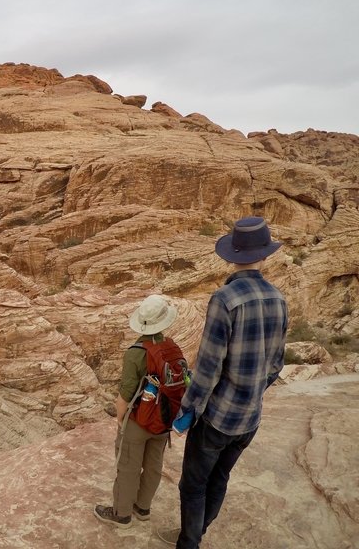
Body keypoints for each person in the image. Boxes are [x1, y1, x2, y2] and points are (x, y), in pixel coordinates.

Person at [160, 216, 288, 548]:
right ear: (264, 255)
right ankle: (197, 534)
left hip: (217, 418)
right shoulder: (278, 299)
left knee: (193, 485)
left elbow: (208, 369)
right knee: (220, 478)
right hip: (250, 418)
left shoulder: (225, 299)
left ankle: (189, 542)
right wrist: (254, 389)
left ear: (232, 255)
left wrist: (187, 412)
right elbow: (276, 363)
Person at [95, 294, 180, 528]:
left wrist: (121, 419)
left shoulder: (136, 352)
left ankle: (121, 514)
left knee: (128, 466)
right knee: (154, 465)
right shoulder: (172, 347)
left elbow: (126, 392)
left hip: (139, 419)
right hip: (164, 419)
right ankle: (143, 508)